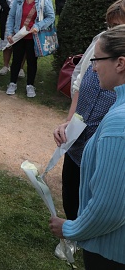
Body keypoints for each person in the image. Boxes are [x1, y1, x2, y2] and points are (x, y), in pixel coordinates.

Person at [49, 24, 125, 269]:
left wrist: (71, 228)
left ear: (120, 63)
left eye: (98, 60)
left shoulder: (118, 124)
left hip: (111, 252)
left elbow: (110, 208)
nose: (93, 67)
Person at [5, 0, 55, 98]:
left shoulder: (44, 0)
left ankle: (30, 85)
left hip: (34, 37)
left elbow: (51, 17)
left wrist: (38, 26)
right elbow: (11, 17)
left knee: (32, 61)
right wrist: (9, 32)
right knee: (16, 60)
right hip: (19, 35)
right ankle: (12, 83)